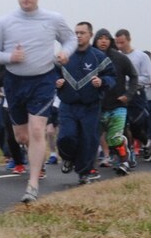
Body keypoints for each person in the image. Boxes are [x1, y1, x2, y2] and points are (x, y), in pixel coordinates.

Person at [0, 0, 77, 203]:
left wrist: (65, 52)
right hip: (15, 83)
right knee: (21, 136)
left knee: (38, 130)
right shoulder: (5, 22)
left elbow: (70, 39)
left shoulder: (52, 18)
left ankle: (32, 184)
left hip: (43, 81)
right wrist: (10, 57)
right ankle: (34, 156)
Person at [55, 22, 115, 185]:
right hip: (68, 105)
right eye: (76, 33)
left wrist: (102, 81)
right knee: (66, 136)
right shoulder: (65, 56)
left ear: (90, 35)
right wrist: (56, 81)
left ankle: (84, 172)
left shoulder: (99, 57)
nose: (79, 35)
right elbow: (52, 74)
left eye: (82, 32)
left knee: (88, 139)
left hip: (91, 105)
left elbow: (112, 77)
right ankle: (67, 157)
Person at [93, 28, 137, 176]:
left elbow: (133, 76)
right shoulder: (90, 57)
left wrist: (128, 95)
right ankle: (89, 165)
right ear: (95, 40)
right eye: (100, 38)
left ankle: (124, 162)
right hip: (97, 105)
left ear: (110, 41)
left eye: (106, 38)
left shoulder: (119, 58)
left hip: (118, 104)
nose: (103, 41)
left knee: (115, 137)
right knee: (95, 136)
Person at [114, 29, 151, 165]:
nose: (119, 46)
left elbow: (148, 78)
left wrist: (130, 79)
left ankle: (146, 143)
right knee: (122, 126)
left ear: (129, 40)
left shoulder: (141, 56)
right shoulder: (117, 57)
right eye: (117, 43)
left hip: (137, 94)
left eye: (122, 42)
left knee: (136, 125)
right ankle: (128, 157)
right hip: (121, 95)